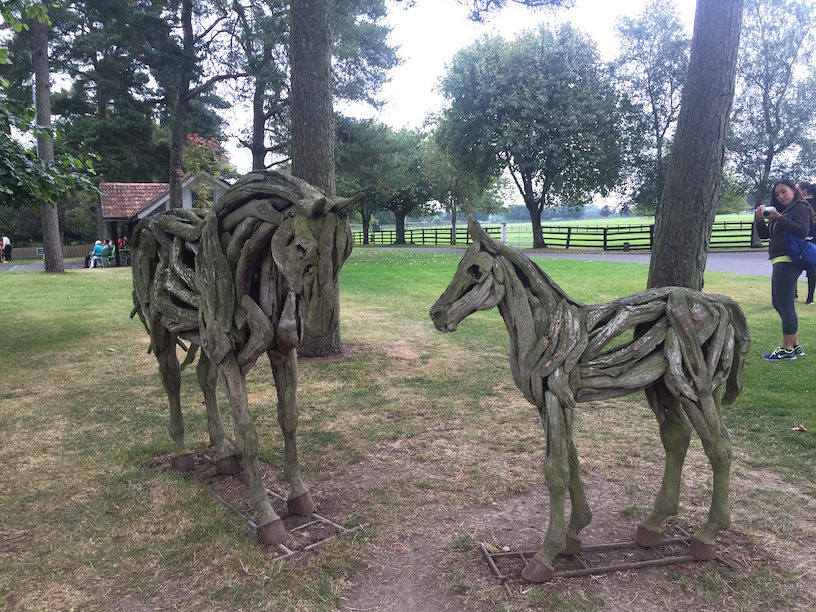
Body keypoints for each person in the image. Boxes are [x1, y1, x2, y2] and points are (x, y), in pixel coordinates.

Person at [755, 179, 812, 360]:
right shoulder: (783, 211)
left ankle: (787, 350)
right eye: (777, 194)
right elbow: (765, 235)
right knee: (779, 304)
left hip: (788, 260)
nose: (780, 196)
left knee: (785, 305)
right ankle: (794, 345)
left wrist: (780, 218)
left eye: (783, 191)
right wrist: (759, 220)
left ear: (793, 190)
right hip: (780, 260)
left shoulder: (800, 206)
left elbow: (802, 230)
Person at [795, 180, 816, 304]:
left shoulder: (800, 205)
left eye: (797, 189)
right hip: (814, 240)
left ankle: (794, 294)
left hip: (802, 239)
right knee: (812, 269)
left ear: (804, 191)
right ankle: (810, 298)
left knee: (794, 266)